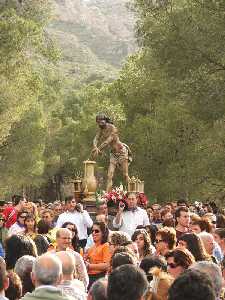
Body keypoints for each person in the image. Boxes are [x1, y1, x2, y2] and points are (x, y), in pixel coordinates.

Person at [91, 113, 132, 192]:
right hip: (113, 154)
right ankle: (107, 195)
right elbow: (95, 139)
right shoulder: (101, 130)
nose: (99, 124)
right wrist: (95, 147)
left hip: (121, 152)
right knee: (109, 175)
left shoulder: (113, 128)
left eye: (101, 122)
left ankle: (132, 192)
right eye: (98, 122)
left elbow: (107, 141)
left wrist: (98, 149)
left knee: (125, 175)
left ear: (105, 121)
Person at [85, 222, 110, 289]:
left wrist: (89, 266)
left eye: (96, 231)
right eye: (92, 231)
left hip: (99, 278)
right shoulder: (92, 247)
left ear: (103, 233)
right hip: (89, 277)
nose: (93, 233)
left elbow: (107, 265)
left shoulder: (106, 246)